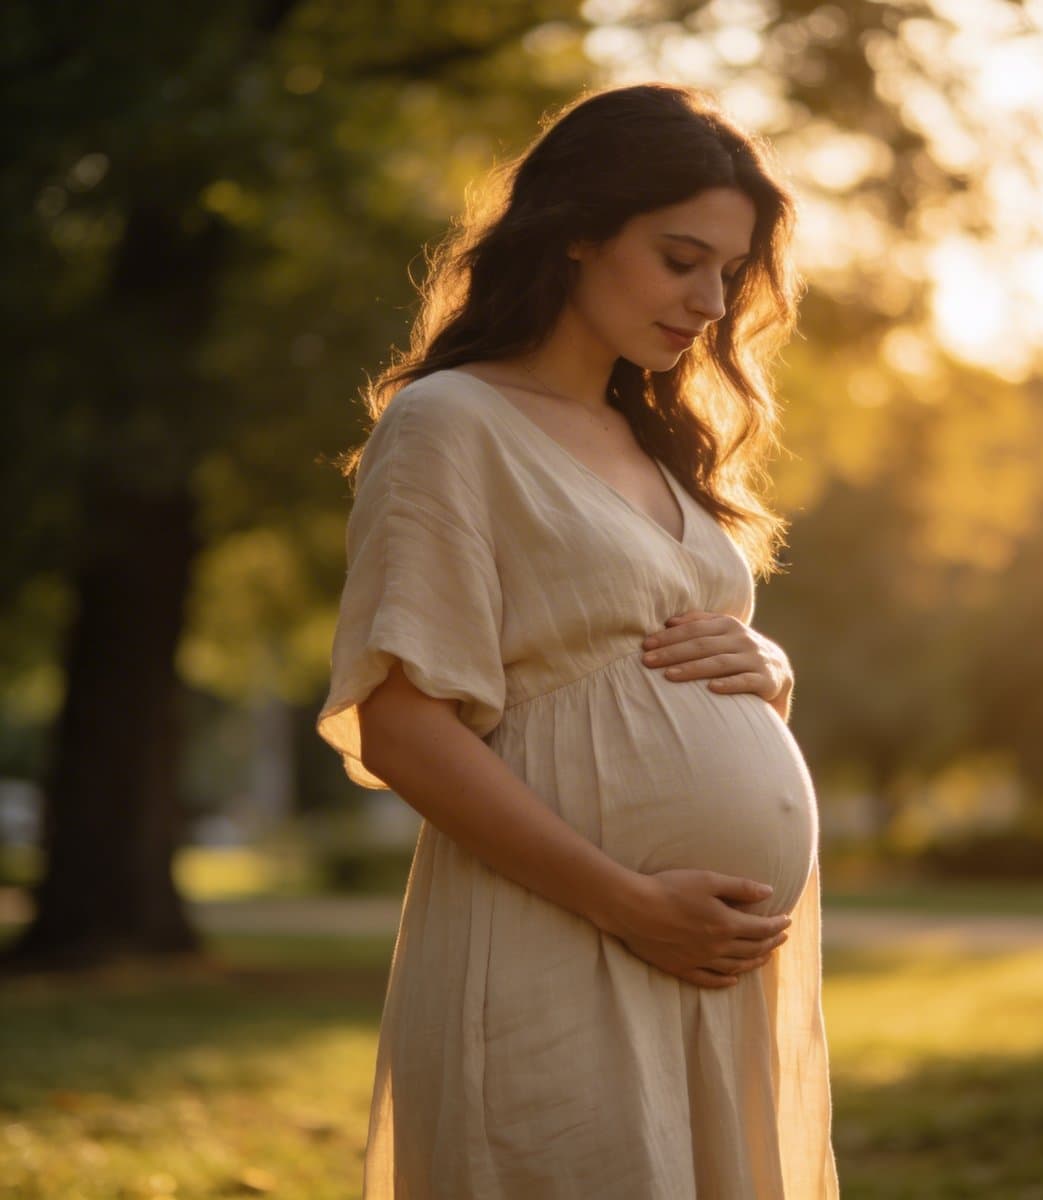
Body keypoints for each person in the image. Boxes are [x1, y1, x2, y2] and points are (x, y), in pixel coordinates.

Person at [317, 81, 839, 1199]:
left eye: (729, 272)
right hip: (560, 933)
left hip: (709, 964)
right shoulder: (450, 424)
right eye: (680, 259)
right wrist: (627, 902)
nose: (709, 301)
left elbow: (649, 649)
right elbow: (401, 723)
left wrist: (767, 670)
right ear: (577, 232)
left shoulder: (655, 442)